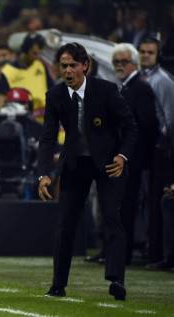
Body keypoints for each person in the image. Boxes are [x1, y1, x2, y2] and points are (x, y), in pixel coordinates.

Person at [37, 43, 137, 300]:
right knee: (65, 224)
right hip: (75, 164)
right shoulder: (56, 95)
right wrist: (45, 173)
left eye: (72, 65)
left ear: (86, 66)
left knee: (112, 218)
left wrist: (122, 156)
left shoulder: (106, 90)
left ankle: (117, 280)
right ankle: (58, 285)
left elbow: (130, 127)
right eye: (63, 66)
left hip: (109, 164)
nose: (68, 71)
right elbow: (47, 138)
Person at [111, 43, 158, 265]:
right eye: (116, 62)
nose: (119, 66)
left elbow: (147, 125)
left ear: (134, 63)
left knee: (129, 206)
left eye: (123, 62)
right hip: (125, 157)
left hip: (134, 159)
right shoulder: (125, 88)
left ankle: (126, 252)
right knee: (121, 205)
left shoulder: (140, 88)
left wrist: (133, 155)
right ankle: (119, 251)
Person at [138, 36, 174, 264]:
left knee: (156, 198)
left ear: (158, 54)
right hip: (147, 146)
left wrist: (165, 143)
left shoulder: (163, 81)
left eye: (150, 52)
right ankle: (151, 247)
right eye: (142, 51)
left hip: (161, 148)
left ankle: (160, 251)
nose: (145, 56)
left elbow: (169, 118)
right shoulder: (141, 78)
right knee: (147, 198)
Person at [0, 33, 53, 124]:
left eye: (39, 53)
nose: (37, 56)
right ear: (25, 50)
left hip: (44, 122)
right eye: (34, 53)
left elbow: (52, 91)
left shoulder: (40, 65)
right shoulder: (8, 71)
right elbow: (0, 102)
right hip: (21, 123)